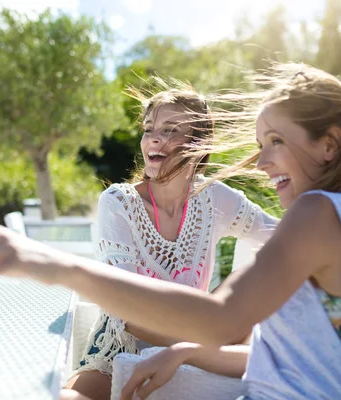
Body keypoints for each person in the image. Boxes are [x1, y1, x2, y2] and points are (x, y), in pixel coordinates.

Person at [0, 63, 341, 400]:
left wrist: (52, 264)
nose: (260, 162)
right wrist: (185, 350)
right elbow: (300, 355)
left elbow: (223, 320)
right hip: (131, 352)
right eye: (262, 144)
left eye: (276, 142)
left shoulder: (315, 212)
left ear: (330, 145)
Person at [64, 83, 278, 400]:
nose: (153, 138)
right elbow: (127, 312)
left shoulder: (214, 197)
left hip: (195, 356)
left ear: (199, 143)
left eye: (170, 130)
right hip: (118, 352)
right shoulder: (118, 202)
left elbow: (282, 237)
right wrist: (205, 340)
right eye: (149, 129)